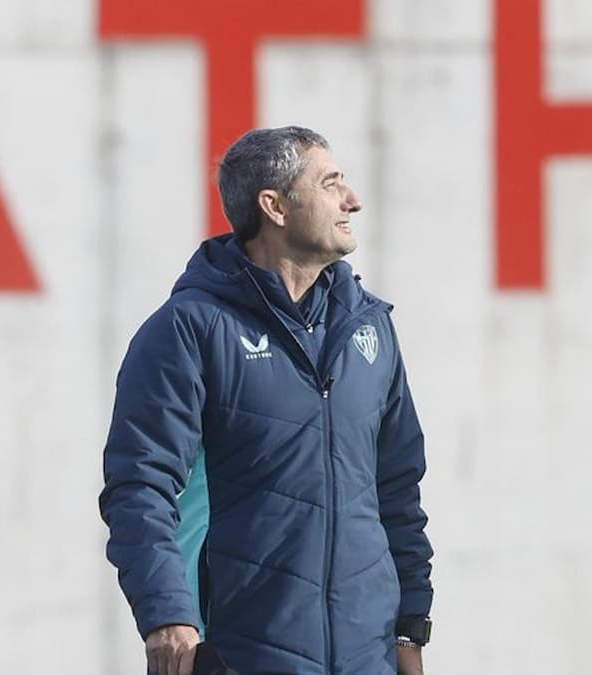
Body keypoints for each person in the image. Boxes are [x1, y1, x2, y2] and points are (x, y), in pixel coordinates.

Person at [99, 126, 434, 675]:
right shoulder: (187, 330)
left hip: (367, 658)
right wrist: (167, 615)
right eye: (331, 184)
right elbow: (140, 485)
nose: (353, 200)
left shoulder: (369, 331)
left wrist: (409, 627)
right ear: (274, 206)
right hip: (244, 655)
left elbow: (397, 488)